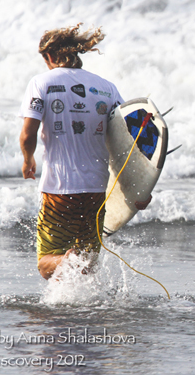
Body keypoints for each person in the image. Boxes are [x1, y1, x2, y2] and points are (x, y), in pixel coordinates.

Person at [19, 24, 146, 279]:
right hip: (96, 192)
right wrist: (139, 188)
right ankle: (79, 313)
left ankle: (67, 260)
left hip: (60, 190)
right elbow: (127, 141)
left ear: (50, 57)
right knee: (86, 265)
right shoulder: (106, 88)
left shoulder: (41, 83)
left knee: (47, 264)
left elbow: (27, 133)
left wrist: (27, 159)